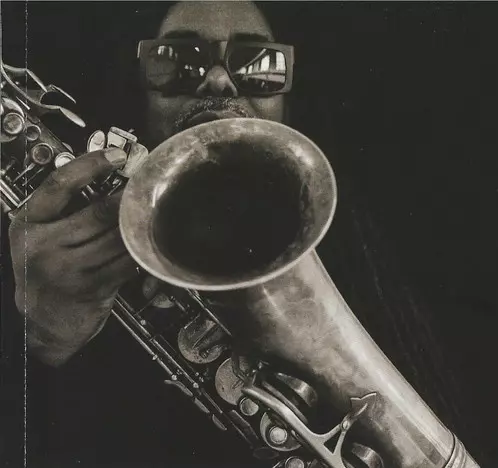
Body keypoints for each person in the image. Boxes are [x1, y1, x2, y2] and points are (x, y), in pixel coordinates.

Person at [4, 2, 472, 466]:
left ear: (290, 98)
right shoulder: (53, 258)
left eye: (258, 64)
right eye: (176, 60)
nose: (219, 81)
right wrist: (41, 344)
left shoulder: (376, 258)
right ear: (138, 90)